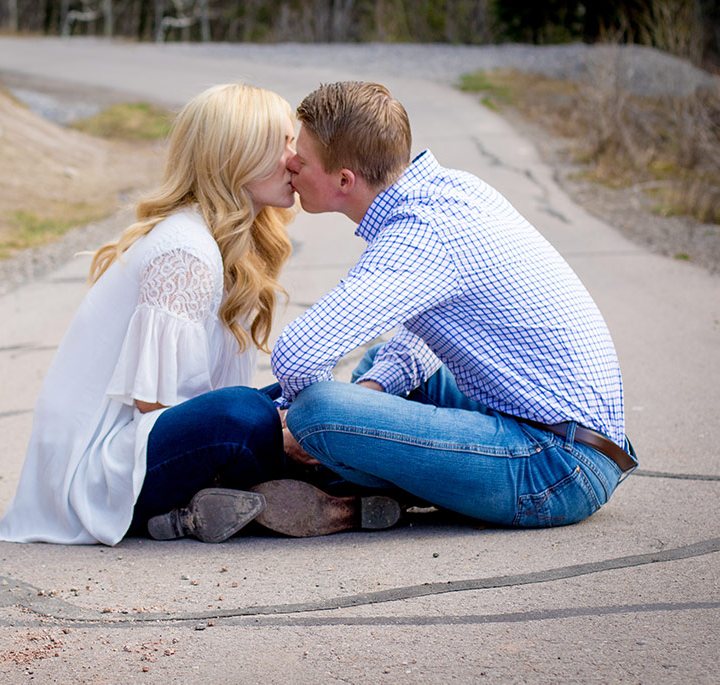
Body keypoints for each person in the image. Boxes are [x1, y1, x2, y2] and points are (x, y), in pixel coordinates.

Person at [262, 81, 637, 535]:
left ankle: (317, 474)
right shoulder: (453, 190)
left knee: (317, 410)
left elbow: (298, 354)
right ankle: (357, 486)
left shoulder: (419, 236)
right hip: (569, 435)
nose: (290, 164)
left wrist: (298, 426)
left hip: (556, 469)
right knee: (379, 366)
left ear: (345, 180)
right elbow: (426, 336)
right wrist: (370, 393)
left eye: (301, 159)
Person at [0, 84, 298, 546]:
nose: (295, 159)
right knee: (245, 414)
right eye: (283, 144)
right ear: (237, 155)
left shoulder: (225, 243)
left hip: (150, 445)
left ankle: (296, 494)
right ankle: (310, 484)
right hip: (103, 470)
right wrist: (275, 427)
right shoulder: (186, 249)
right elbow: (157, 406)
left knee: (309, 396)